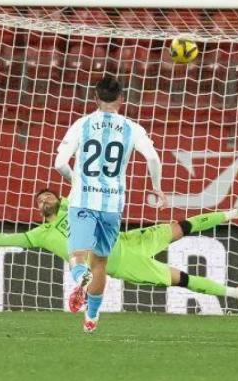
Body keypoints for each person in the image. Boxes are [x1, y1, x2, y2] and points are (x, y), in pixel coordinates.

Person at [0, 191, 238, 310]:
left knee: (181, 226)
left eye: (48, 196)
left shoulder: (74, 204)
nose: (43, 200)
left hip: (127, 241)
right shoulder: (40, 234)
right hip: (121, 265)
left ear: (58, 198)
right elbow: (6, 241)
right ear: (39, 210)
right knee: (182, 279)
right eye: (39, 200)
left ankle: (232, 214)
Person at [54, 74, 166, 333]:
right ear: (122, 99)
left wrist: (75, 181)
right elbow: (153, 159)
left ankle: (80, 277)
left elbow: (59, 163)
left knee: (77, 256)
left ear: (95, 98)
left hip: (82, 201)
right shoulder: (132, 127)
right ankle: (91, 317)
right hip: (112, 205)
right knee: (100, 263)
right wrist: (157, 187)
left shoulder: (81, 124)